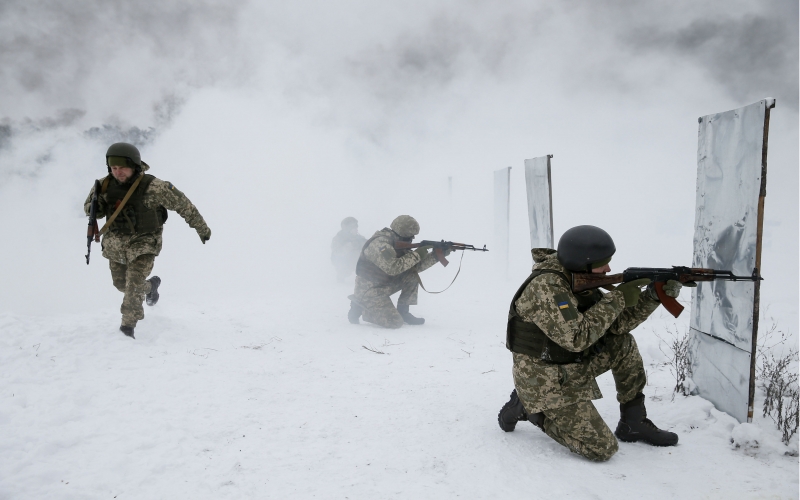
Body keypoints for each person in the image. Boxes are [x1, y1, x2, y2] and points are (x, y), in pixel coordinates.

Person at [497, 225, 684, 461]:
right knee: (602, 449)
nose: (608, 268)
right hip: (542, 377)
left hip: (569, 364)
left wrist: (653, 296)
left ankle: (634, 422)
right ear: (582, 262)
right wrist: (617, 298)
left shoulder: (576, 278)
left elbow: (616, 325)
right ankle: (531, 409)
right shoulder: (546, 288)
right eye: (602, 263)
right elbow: (577, 337)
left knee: (623, 343)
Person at [84, 142, 211, 339]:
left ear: (134, 165)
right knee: (122, 285)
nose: (117, 172)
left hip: (145, 241)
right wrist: (97, 205)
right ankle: (151, 287)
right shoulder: (104, 185)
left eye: (122, 168)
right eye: (113, 168)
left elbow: (184, 205)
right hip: (116, 244)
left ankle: (127, 330)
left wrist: (202, 229)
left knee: (133, 285)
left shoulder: (154, 187)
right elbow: (89, 210)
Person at [347, 215, 446, 328]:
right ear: (402, 233)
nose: (413, 238)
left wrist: (437, 256)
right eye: (410, 236)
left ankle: (404, 312)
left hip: (384, 284)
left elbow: (413, 266)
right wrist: (418, 253)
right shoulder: (380, 244)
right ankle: (360, 304)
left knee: (412, 275)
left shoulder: (397, 242)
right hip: (369, 291)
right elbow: (393, 268)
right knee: (394, 322)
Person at [331, 217, 366, 282]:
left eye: (356, 227)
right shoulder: (338, 238)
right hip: (344, 263)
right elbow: (336, 253)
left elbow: (367, 245)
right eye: (354, 228)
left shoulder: (358, 238)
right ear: (347, 229)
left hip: (356, 262)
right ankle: (341, 276)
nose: (356, 229)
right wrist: (350, 246)